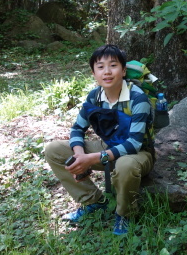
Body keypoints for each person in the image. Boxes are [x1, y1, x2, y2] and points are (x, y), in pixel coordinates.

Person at [44, 44, 155, 236]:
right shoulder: (95, 96)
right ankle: (94, 202)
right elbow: (77, 128)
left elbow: (134, 144)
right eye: (100, 67)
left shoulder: (138, 99)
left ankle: (124, 214)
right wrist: (79, 155)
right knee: (54, 150)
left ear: (123, 70)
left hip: (137, 154)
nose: (107, 72)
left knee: (125, 165)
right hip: (107, 145)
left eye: (113, 65)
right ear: (94, 73)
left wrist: (93, 159)